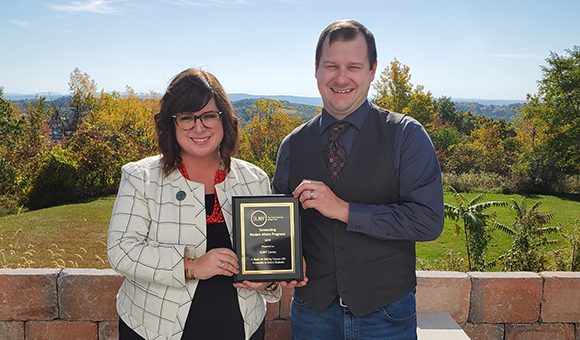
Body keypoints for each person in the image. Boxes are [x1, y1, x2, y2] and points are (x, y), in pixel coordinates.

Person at [273, 20, 444, 339]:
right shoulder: (292, 145)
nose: (341, 78)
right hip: (312, 315)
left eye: (353, 66)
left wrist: (344, 209)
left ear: (372, 70)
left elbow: (428, 221)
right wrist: (287, 256)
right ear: (316, 70)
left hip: (386, 316)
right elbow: (280, 225)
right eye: (331, 66)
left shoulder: (407, 136)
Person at [108, 68, 281, 340]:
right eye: (186, 117)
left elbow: (267, 254)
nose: (199, 128)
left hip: (241, 327)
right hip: (156, 329)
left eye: (209, 116)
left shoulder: (254, 179)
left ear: (225, 121)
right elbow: (122, 250)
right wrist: (190, 266)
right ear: (171, 123)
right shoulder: (141, 177)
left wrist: (268, 279)